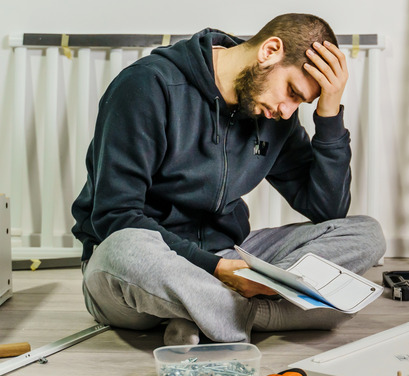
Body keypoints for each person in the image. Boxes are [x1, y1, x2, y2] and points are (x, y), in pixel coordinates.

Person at [71, 13, 386, 346]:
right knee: (123, 247)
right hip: (154, 264)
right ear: (270, 51)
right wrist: (217, 268)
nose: (289, 111)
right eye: (292, 91)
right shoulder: (147, 86)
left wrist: (329, 113)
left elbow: (328, 210)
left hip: (230, 259)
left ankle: (203, 315)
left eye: (301, 103)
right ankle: (266, 316)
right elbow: (115, 217)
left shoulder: (274, 116)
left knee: (367, 233)